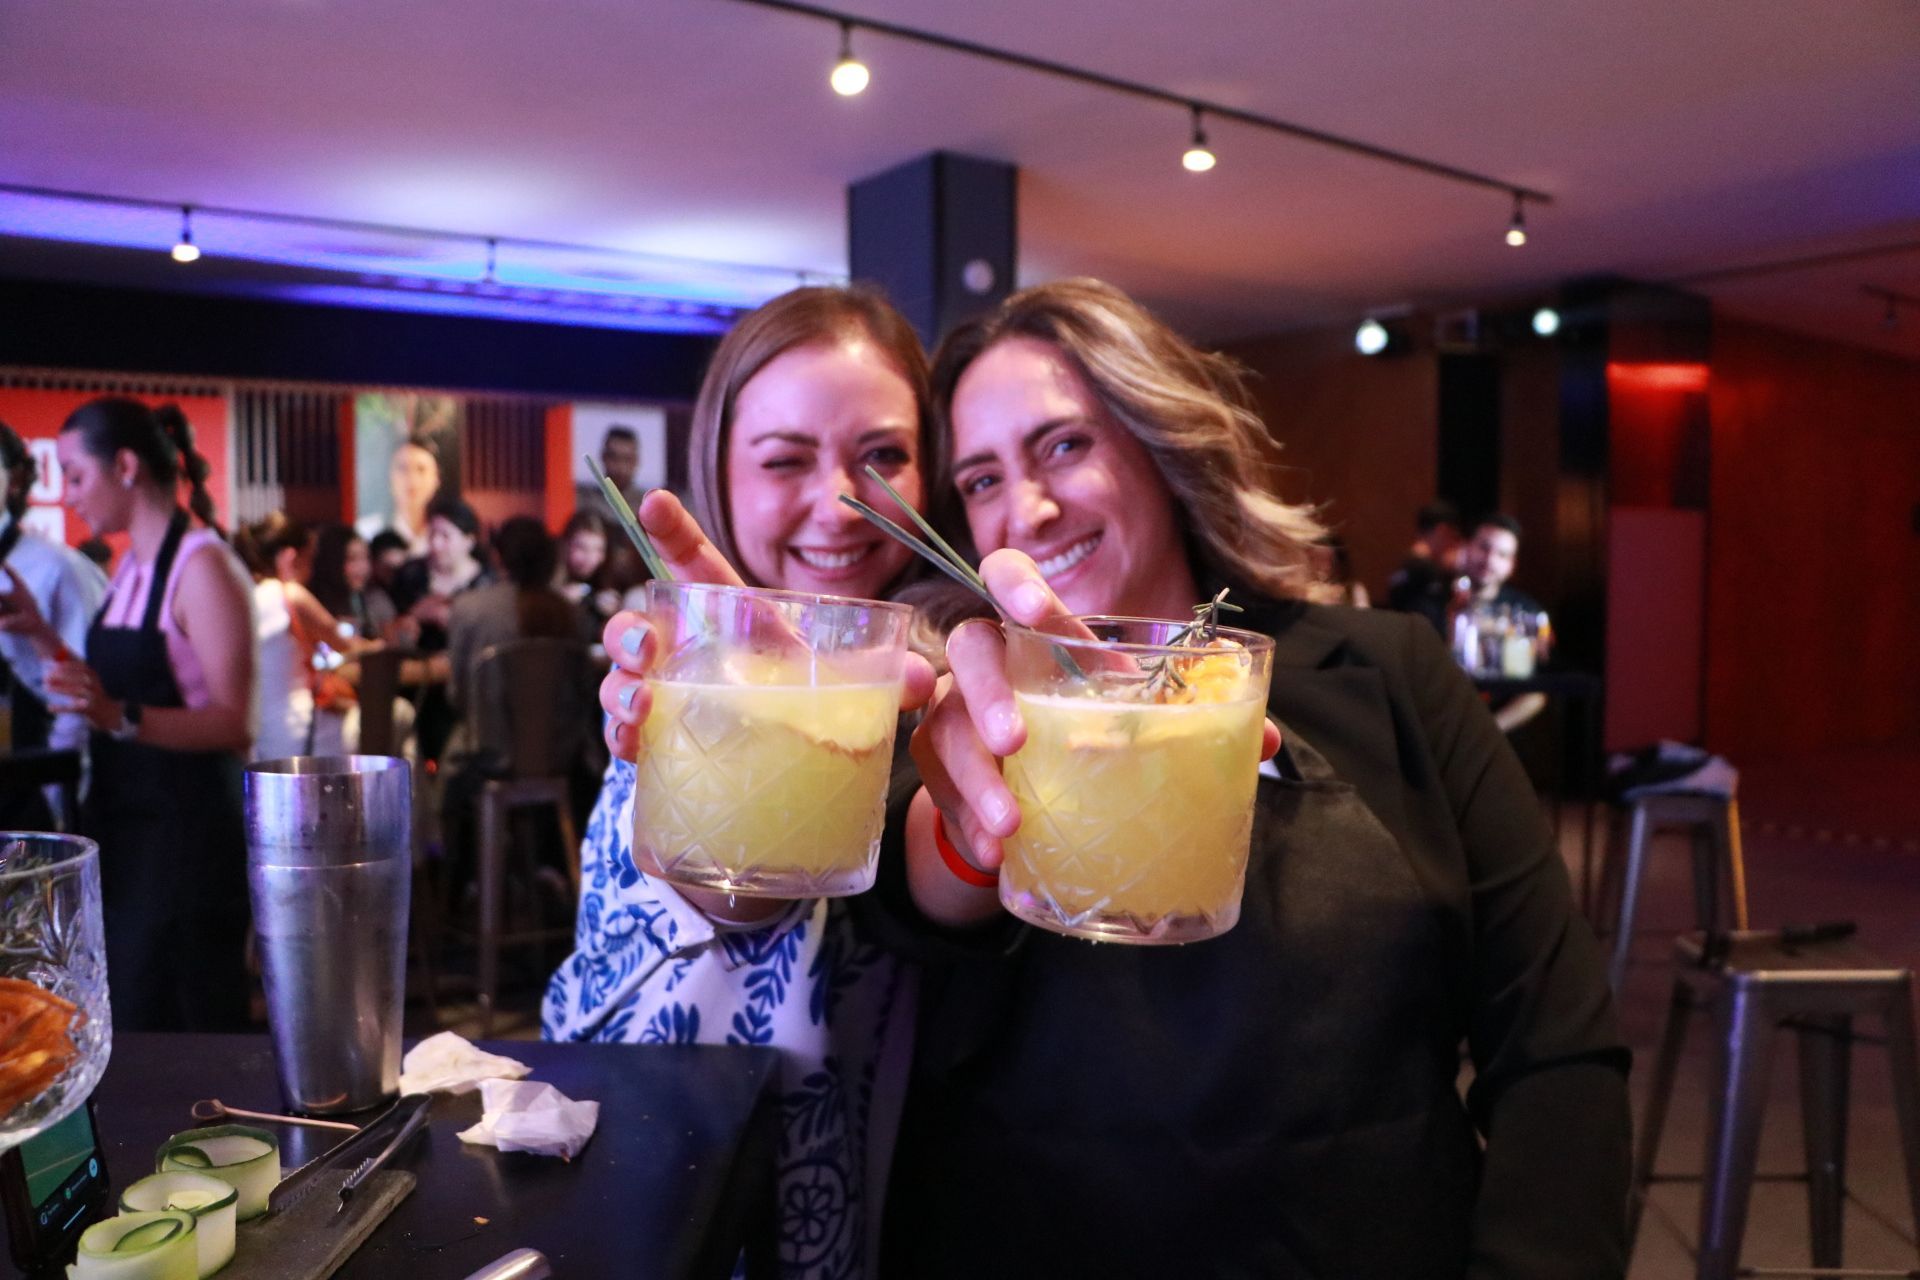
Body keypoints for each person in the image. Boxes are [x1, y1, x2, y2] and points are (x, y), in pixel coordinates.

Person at [865, 280, 1628, 1276]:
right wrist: (967, 834)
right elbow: (907, 870)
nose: (1029, 508)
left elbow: (1555, 1048)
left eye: (1065, 444)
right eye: (980, 479)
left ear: (1160, 439)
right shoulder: (966, 711)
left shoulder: (1386, 673)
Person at [550, 284, 945, 1280]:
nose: (841, 500)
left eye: (884, 455)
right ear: (719, 476)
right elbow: (730, 885)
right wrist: (744, 723)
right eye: (785, 459)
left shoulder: (952, 687)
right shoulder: (683, 679)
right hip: (671, 1200)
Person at [0, 398, 256, 1031]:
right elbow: (99, 692)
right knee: (134, 1010)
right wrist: (39, 635)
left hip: (189, 833)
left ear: (126, 466)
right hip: (133, 825)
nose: (71, 495)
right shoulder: (132, 568)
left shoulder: (202, 566)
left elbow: (233, 722)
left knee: (184, 1018)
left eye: (77, 476)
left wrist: (121, 717)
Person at [0, 419, 108, 827]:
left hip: (37, 795)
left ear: (15, 480)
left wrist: (55, 800)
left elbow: (89, 694)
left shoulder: (57, 568)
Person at [235, 512, 367, 759]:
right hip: (299, 734)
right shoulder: (290, 595)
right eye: (310, 560)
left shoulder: (244, 598)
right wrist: (382, 643)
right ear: (290, 558)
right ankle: (403, 798)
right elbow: (346, 646)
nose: (311, 571)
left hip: (260, 740)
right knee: (398, 714)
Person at [389, 495, 492, 762]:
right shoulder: (411, 575)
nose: (436, 544)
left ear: (469, 540)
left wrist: (452, 620)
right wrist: (413, 617)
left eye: (445, 536)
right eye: (432, 534)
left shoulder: (486, 582)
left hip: (466, 682)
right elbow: (391, 630)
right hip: (416, 680)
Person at [1454, 512, 1549, 733]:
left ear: (1512, 563)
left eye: (1502, 554)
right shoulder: (1435, 603)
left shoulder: (1527, 611)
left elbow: (1537, 692)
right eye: (1484, 547)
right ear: (1467, 546)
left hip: (1501, 733)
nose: (1490, 559)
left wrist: (1488, 732)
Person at [307, 522, 396, 644]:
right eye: (352, 559)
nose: (363, 567)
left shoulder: (373, 600)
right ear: (333, 562)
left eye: (365, 558)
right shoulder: (311, 603)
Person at [354, 435, 442, 557]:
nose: (412, 480)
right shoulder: (366, 530)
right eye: (403, 469)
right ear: (388, 477)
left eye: (421, 470)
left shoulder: (446, 533)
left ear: (437, 479)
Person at [1386, 497, 1463, 612]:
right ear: (1441, 530)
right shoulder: (1426, 570)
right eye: (1453, 536)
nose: (1453, 544)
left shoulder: (1406, 564)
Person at [572, 425, 645, 525]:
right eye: (614, 457)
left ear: (636, 461)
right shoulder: (583, 500)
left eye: (627, 459)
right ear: (603, 457)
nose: (620, 466)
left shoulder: (646, 505)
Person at [1303, 531, 1370, 608]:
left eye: (1327, 560)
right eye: (1315, 559)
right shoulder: (1300, 588)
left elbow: (1363, 615)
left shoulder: (1353, 589)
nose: (1323, 567)